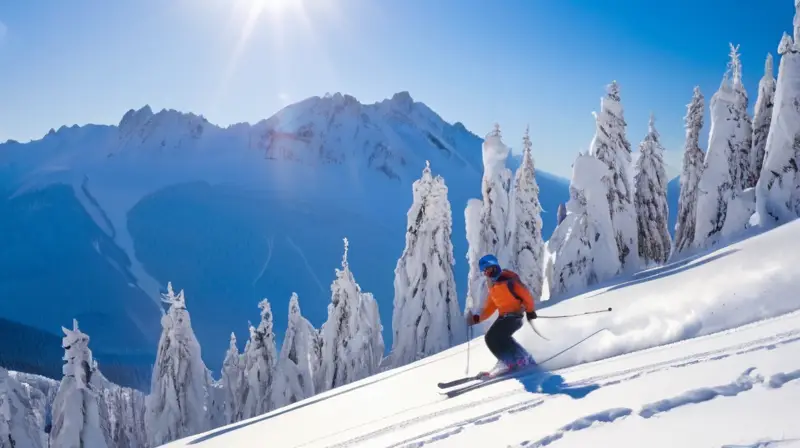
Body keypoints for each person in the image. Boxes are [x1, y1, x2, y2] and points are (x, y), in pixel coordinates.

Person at [467, 254, 538, 373]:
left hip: (515, 316)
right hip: (503, 317)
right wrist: (477, 319)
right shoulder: (493, 288)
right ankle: (511, 360)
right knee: (492, 338)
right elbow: (490, 307)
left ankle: (519, 359)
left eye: (488, 270)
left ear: (494, 268)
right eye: (485, 272)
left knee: (498, 337)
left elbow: (526, 295)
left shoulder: (509, 280)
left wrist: (530, 311)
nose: (486, 274)